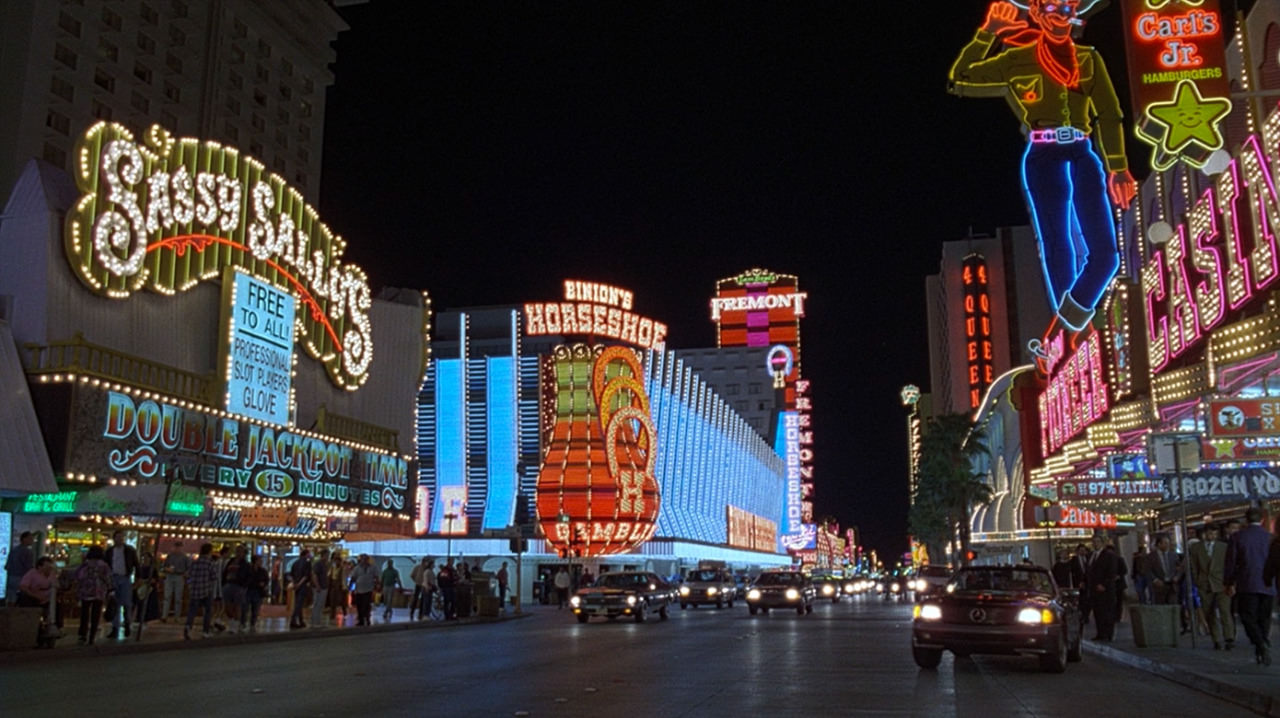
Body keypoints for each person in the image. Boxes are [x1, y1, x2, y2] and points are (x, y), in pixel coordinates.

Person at [948, 0, 1136, 364]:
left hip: (1083, 152)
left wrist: (1118, 166)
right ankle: (1073, 339)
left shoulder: (1088, 59)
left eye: (1068, 7)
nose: (1061, 15)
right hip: (1042, 155)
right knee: (1057, 246)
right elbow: (962, 76)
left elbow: (1110, 114)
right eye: (1051, 6)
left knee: (1107, 255)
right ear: (1036, 13)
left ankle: (1070, 320)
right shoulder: (1018, 59)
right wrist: (988, 33)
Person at [1225, 507, 1276, 665]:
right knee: (1264, 617)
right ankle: (1262, 644)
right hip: (1269, 584)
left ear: (1245, 520)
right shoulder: (1270, 537)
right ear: (1262, 520)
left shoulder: (1238, 537)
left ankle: (1260, 644)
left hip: (1247, 582)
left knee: (1248, 617)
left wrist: (1228, 582)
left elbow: (1231, 562)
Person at [1191, 523, 1235, 650]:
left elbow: (1229, 565)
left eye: (1215, 534)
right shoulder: (1195, 548)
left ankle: (1229, 637)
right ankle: (1216, 639)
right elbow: (1193, 566)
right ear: (1204, 534)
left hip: (1221, 583)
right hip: (1204, 583)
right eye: (1210, 533)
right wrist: (1197, 579)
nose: (1212, 536)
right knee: (1209, 613)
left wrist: (1230, 582)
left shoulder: (1224, 547)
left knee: (1225, 610)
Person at [18, 556, 62, 647]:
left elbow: (56, 585)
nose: (48, 569)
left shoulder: (51, 575)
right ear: (40, 567)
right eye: (47, 567)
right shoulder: (32, 574)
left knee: (58, 608)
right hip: (34, 598)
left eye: (50, 567)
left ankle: (57, 627)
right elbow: (23, 586)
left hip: (48, 599)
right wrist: (35, 595)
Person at [103, 530, 138, 639]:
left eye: (122, 537)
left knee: (127, 603)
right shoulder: (110, 551)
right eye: (118, 537)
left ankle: (127, 623)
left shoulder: (129, 550)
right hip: (113, 577)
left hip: (124, 577)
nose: (120, 539)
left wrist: (138, 577)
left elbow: (136, 564)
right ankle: (115, 627)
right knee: (115, 603)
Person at [1087, 533, 1121, 641]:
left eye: (1097, 542)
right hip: (1094, 589)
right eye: (1094, 542)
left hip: (1106, 589)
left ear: (1102, 543)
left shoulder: (1109, 555)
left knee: (1108, 612)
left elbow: (1112, 572)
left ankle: (1109, 634)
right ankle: (1100, 633)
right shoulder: (1091, 555)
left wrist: (1104, 584)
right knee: (1098, 612)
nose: (1095, 544)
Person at [75, 545, 111, 645]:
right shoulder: (103, 565)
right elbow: (108, 578)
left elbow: (78, 576)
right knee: (96, 614)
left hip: (86, 591)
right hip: (99, 591)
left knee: (84, 613)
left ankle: (82, 634)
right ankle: (92, 636)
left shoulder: (85, 564)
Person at [184, 543, 218, 640]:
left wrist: (190, 584)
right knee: (207, 611)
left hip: (194, 590)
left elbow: (188, 575)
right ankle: (205, 631)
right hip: (206, 589)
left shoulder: (194, 562)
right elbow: (214, 576)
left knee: (192, 611)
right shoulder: (209, 563)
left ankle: (188, 627)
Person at [1146, 535, 1181, 605]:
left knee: (1173, 604)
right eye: (1165, 543)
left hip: (1172, 585)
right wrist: (1155, 580)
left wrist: (1177, 576)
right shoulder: (1151, 556)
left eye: (1168, 543)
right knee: (1160, 605)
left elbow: (1179, 568)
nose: (1167, 545)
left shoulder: (1173, 555)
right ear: (1159, 544)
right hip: (1159, 586)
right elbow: (1147, 570)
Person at [161, 541, 190, 622]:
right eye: (176, 547)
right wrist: (167, 569)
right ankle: (164, 616)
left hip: (179, 576)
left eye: (179, 547)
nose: (177, 549)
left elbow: (188, 568)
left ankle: (177, 616)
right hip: (170, 576)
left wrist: (185, 574)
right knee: (167, 596)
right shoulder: (170, 556)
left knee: (178, 598)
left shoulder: (184, 557)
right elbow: (164, 567)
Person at [220, 545, 247, 633]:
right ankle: (233, 622)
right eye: (237, 551)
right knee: (228, 606)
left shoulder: (245, 564)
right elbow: (225, 572)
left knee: (237, 606)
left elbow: (248, 576)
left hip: (239, 586)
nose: (238, 553)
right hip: (228, 584)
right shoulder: (231, 561)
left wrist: (243, 585)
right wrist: (224, 583)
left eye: (240, 551)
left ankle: (235, 625)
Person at [5, 531, 36, 606]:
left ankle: (9, 614)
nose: (32, 540)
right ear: (25, 539)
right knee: (21, 599)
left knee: (11, 598)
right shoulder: (28, 552)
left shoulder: (14, 550)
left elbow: (7, 566)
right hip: (21, 578)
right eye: (30, 538)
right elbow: (28, 567)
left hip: (11, 577)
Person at [133, 551, 160, 628]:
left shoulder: (152, 569)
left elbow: (155, 579)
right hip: (142, 588)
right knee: (140, 603)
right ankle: (139, 617)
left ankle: (146, 618)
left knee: (148, 604)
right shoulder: (140, 568)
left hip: (149, 588)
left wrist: (146, 581)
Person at [242, 554, 269, 632]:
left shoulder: (262, 571)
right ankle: (243, 623)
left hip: (258, 591)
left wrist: (264, 584)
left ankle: (252, 624)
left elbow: (266, 580)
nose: (261, 562)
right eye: (259, 560)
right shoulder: (249, 570)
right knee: (245, 608)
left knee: (255, 609)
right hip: (249, 590)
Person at [350, 553, 377, 626]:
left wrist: (377, 585)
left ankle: (367, 618)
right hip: (359, 589)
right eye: (362, 559)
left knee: (366, 605)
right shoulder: (357, 568)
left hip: (368, 589)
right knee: (359, 605)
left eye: (365, 559)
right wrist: (350, 587)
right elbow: (353, 577)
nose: (364, 561)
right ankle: (361, 619)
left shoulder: (372, 568)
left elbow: (376, 577)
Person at [289, 549, 313, 629]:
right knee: (299, 604)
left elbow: (291, 575)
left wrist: (295, 583)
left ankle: (301, 620)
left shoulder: (295, 563)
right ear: (306, 554)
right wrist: (299, 584)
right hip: (302, 585)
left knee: (298, 602)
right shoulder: (307, 563)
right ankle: (293, 620)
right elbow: (306, 576)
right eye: (309, 554)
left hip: (296, 584)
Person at [311, 548, 331, 629]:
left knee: (321, 605)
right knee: (317, 604)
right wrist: (317, 585)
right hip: (320, 587)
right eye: (327, 555)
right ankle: (315, 622)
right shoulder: (318, 564)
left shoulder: (325, 564)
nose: (328, 557)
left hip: (323, 586)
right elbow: (314, 575)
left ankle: (318, 621)